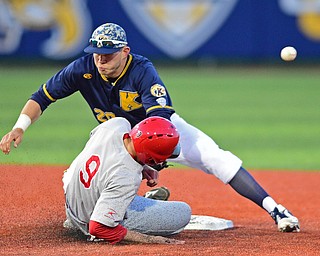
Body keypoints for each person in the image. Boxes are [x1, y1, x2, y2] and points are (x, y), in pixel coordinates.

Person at [0, 23, 300, 232]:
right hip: (116, 140)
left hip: (158, 135)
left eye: (109, 54)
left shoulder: (142, 70)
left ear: (125, 51)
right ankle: (103, 210)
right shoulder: (84, 67)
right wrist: (20, 127)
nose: (101, 60)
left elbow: (161, 121)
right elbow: (42, 96)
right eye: (96, 53)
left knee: (215, 157)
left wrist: (153, 159)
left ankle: (275, 209)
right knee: (84, 173)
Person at [62, 116, 191, 244]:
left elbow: (97, 144)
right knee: (182, 212)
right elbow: (98, 228)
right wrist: (150, 239)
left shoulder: (116, 125)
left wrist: (142, 166)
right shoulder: (127, 177)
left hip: (73, 194)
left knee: (114, 185)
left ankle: (118, 200)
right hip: (87, 221)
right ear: (151, 158)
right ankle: (122, 204)